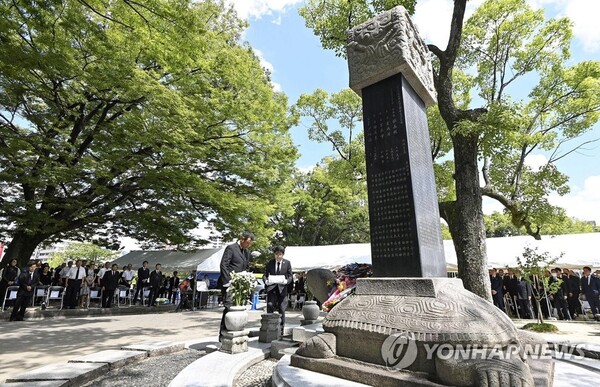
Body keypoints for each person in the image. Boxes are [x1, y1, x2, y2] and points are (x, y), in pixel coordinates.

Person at [218, 231, 255, 338]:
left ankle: (236, 331)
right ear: (242, 239)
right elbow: (224, 265)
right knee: (229, 309)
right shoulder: (231, 248)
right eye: (247, 242)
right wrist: (227, 281)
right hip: (229, 284)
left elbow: (246, 267)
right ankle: (223, 335)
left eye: (250, 243)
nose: (248, 245)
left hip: (240, 286)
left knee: (239, 308)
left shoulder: (247, 252)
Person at [264, 246, 293, 335]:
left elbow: (290, 276)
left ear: (283, 255)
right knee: (270, 305)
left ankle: (281, 329)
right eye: (276, 254)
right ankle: (269, 326)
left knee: (282, 309)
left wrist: (286, 281)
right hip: (272, 288)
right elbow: (264, 274)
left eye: (280, 254)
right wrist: (266, 281)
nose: (278, 256)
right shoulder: (270, 263)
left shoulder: (287, 263)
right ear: (274, 254)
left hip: (282, 289)